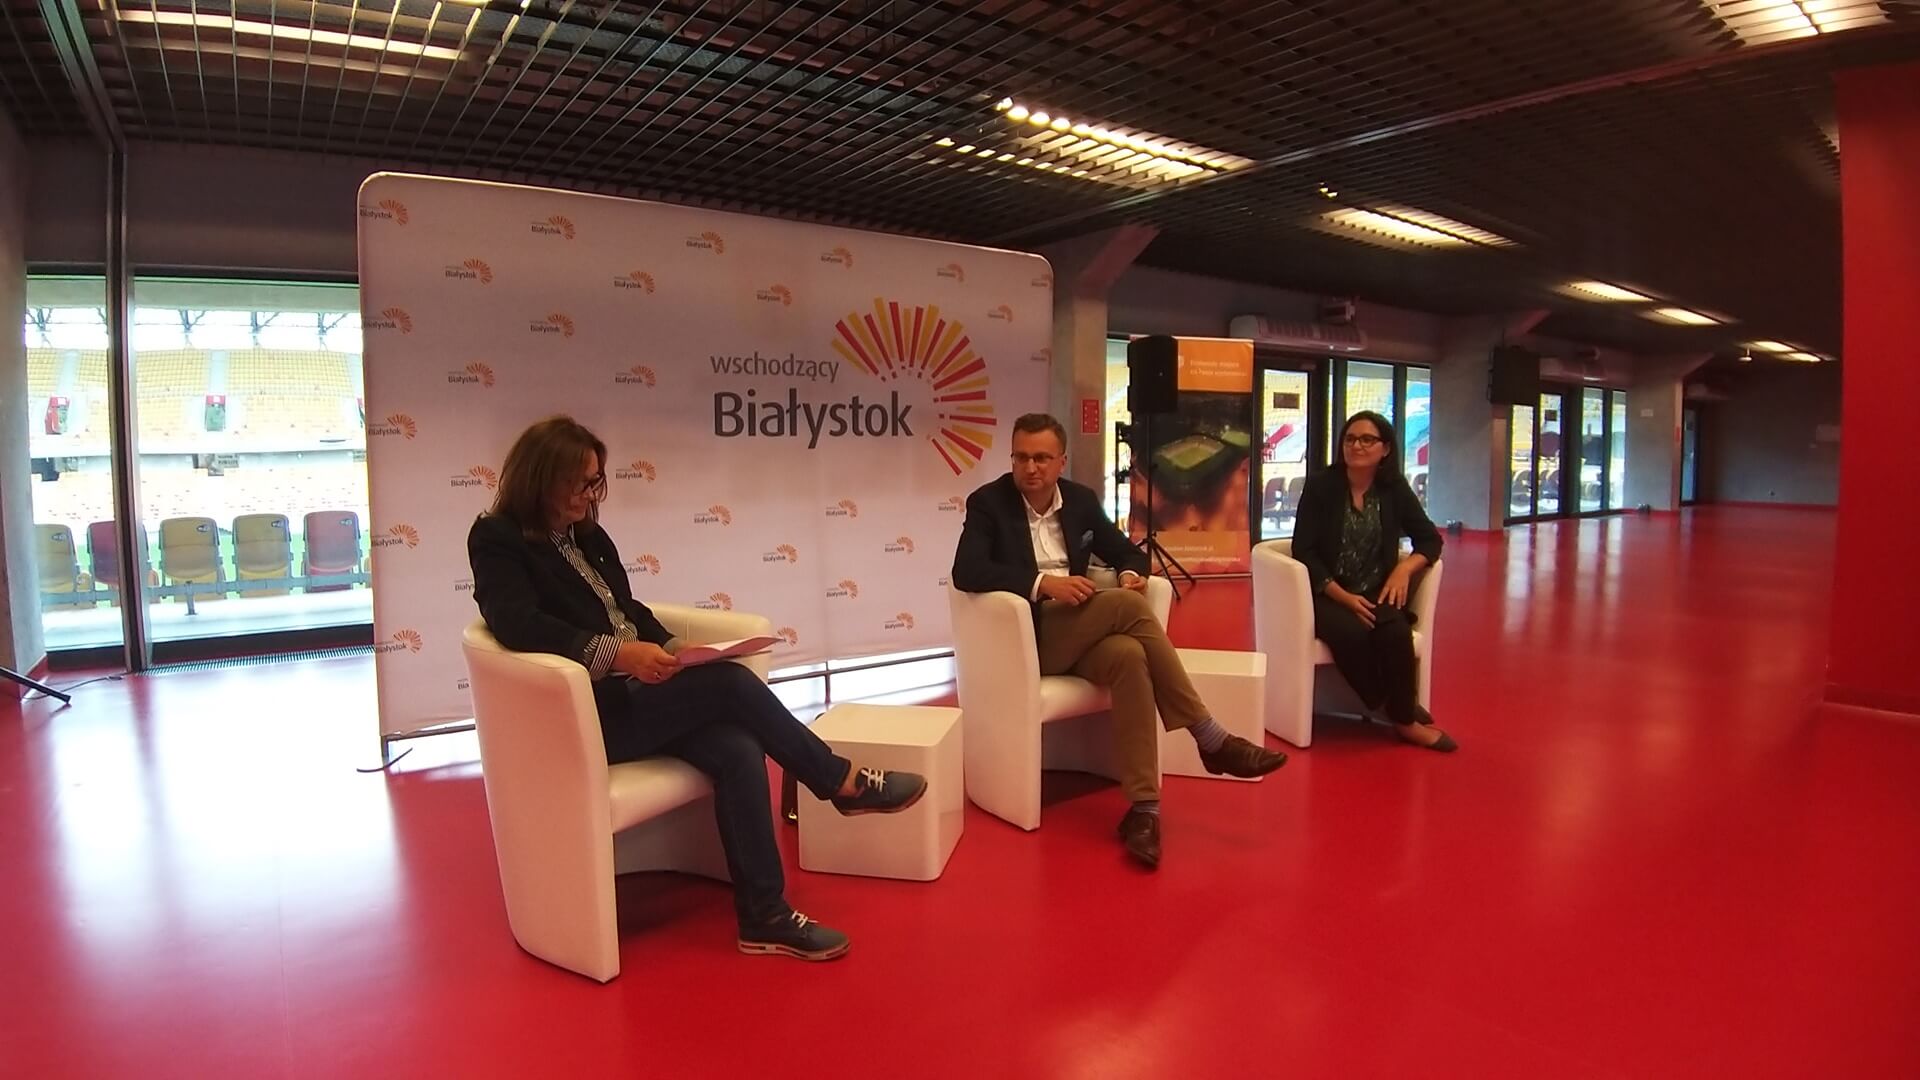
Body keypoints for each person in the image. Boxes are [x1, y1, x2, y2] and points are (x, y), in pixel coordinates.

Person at [468, 416, 926, 961]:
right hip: (584, 714)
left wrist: (669, 647)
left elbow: (625, 609)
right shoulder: (497, 538)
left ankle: (764, 917)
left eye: (595, 481)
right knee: (730, 685)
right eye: (579, 483)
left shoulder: (587, 533)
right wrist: (618, 655)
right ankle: (839, 781)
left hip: (635, 698)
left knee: (737, 747)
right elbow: (517, 623)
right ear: (541, 477)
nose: (590, 495)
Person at [951, 412, 1288, 869]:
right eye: (1021, 457)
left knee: (1130, 656)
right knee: (1129, 609)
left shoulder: (1080, 501)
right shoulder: (988, 503)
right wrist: (1043, 584)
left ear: (1062, 461)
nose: (1031, 467)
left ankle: (1144, 810)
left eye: (1042, 458)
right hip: (1026, 637)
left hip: (1079, 631)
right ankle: (1210, 737)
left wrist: (1130, 572)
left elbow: (1128, 551)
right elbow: (967, 570)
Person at [1290, 410, 1456, 752]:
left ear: (1386, 448)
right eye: (1350, 439)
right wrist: (1343, 597)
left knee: (1395, 632)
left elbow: (1429, 539)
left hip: (1374, 590)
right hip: (1325, 593)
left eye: (1367, 439)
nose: (1357, 446)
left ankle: (1400, 714)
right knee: (1350, 632)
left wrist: (1403, 570)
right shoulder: (1322, 486)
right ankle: (1400, 715)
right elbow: (1303, 550)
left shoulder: (1393, 489)